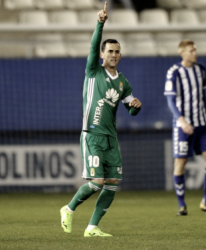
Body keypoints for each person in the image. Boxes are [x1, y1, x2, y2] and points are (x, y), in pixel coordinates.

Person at [60, 2, 142, 237]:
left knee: (112, 184)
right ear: (102, 55)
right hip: (92, 136)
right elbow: (94, 43)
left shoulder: (123, 82)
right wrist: (100, 23)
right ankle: (68, 208)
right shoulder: (93, 71)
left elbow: (131, 111)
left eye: (117, 51)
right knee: (96, 182)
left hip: (111, 139)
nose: (114, 55)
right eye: (110, 51)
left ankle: (92, 228)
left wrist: (136, 106)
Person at [164, 40, 206, 216]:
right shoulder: (174, 72)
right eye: (191, 51)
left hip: (202, 124)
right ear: (182, 53)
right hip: (183, 126)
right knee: (181, 162)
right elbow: (170, 100)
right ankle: (182, 205)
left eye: (195, 50)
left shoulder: (201, 70)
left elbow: (201, 94)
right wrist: (181, 120)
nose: (195, 53)